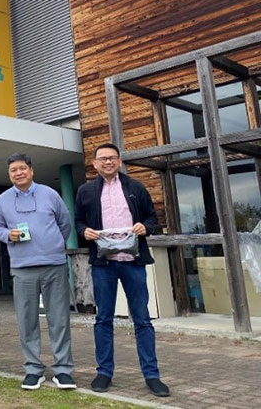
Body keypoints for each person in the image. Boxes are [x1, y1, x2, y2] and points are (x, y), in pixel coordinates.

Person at [75, 143, 170, 397]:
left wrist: (144, 227)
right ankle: (104, 372)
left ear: (119, 161)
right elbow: (78, 222)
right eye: (102, 159)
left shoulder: (135, 187)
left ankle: (152, 375)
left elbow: (153, 219)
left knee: (142, 319)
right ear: (94, 164)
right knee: (103, 319)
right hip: (103, 264)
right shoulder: (85, 191)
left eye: (112, 158)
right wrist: (83, 231)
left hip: (133, 262)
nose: (107, 162)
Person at [0, 153, 76, 390]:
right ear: (9, 175)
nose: (18, 173)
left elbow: (65, 223)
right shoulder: (2, 200)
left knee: (59, 319)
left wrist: (55, 244)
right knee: (26, 320)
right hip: (22, 268)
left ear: (31, 170)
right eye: (13, 171)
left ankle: (63, 370)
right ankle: (33, 369)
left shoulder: (50, 194)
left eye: (22, 169)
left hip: (54, 265)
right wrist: (7, 235)